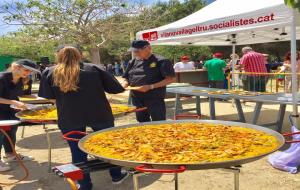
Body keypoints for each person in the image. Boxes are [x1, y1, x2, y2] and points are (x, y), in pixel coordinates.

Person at [38, 45, 127, 190]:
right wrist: (122, 84)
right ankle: (116, 175)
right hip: (100, 114)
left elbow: (49, 98)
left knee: (77, 152)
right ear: (80, 55)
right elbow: (116, 89)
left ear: (58, 56)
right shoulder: (94, 69)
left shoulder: (49, 71)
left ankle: (85, 185)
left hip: (69, 117)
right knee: (109, 146)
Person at [122, 40, 175, 122]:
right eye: (134, 51)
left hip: (154, 99)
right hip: (137, 99)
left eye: (137, 51)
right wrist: (125, 83)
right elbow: (126, 77)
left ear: (148, 48)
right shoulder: (132, 61)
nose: (135, 53)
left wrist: (151, 86)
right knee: (142, 122)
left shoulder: (161, 61)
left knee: (158, 123)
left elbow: (170, 79)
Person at [0, 59, 39, 171]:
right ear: (16, 67)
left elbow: (25, 95)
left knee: (11, 131)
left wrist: (41, 97)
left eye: (30, 72)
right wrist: (13, 102)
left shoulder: (26, 80)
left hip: (11, 111)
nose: (28, 73)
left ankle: (10, 155)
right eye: (26, 70)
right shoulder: (2, 78)